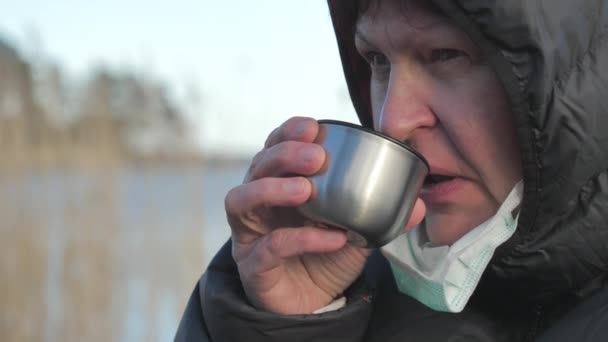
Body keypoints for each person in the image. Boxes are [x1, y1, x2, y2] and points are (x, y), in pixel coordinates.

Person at [176, 0, 608, 340]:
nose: (390, 121)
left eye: (445, 55)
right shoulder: (349, 281)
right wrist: (286, 325)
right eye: (377, 60)